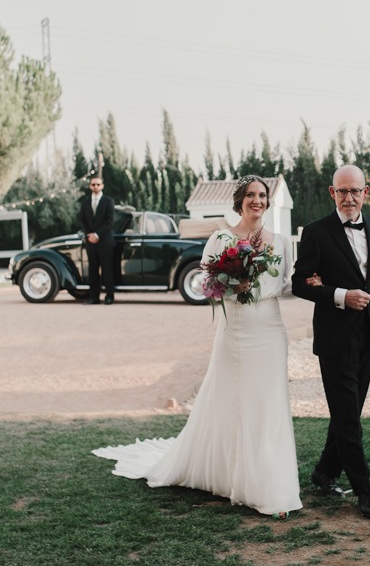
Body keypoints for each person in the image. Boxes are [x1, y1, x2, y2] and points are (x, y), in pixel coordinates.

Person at [93, 175, 301, 518]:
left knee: (269, 404)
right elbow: (209, 285)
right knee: (232, 402)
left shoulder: (279, 242)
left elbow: (282, 284)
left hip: (270, 332)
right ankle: (234, 477)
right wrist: (235, 283)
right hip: (235, 332)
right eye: (250, 195)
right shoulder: (221, 238)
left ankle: (271, 484)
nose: (257, 201)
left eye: (262, 195)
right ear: (239, 201)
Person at [291, 164, 370, 519]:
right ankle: (364, 491)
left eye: (355, 191)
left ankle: (324, 473)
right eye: (342, 191)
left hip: (369, 335)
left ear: (366, 193)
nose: (349, 198)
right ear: (331, 193)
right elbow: (299, 282)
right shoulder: (317, 233)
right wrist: (340, 295)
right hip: (335, 338)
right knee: (349, 418)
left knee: (347, 412)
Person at [78, 176, 116, 304]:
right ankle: (94, 298)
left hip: (105, 242)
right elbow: (82, 220)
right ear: (90, 186)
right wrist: (89, 234)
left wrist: (97, 235)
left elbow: (110, 221)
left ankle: (109, 296)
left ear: (102, 186)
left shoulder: (108, 201)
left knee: (107, 270)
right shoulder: (85, 202)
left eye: (98, 184)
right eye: (93, 184)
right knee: (92, 270)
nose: (95, 187)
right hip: (90, 242)